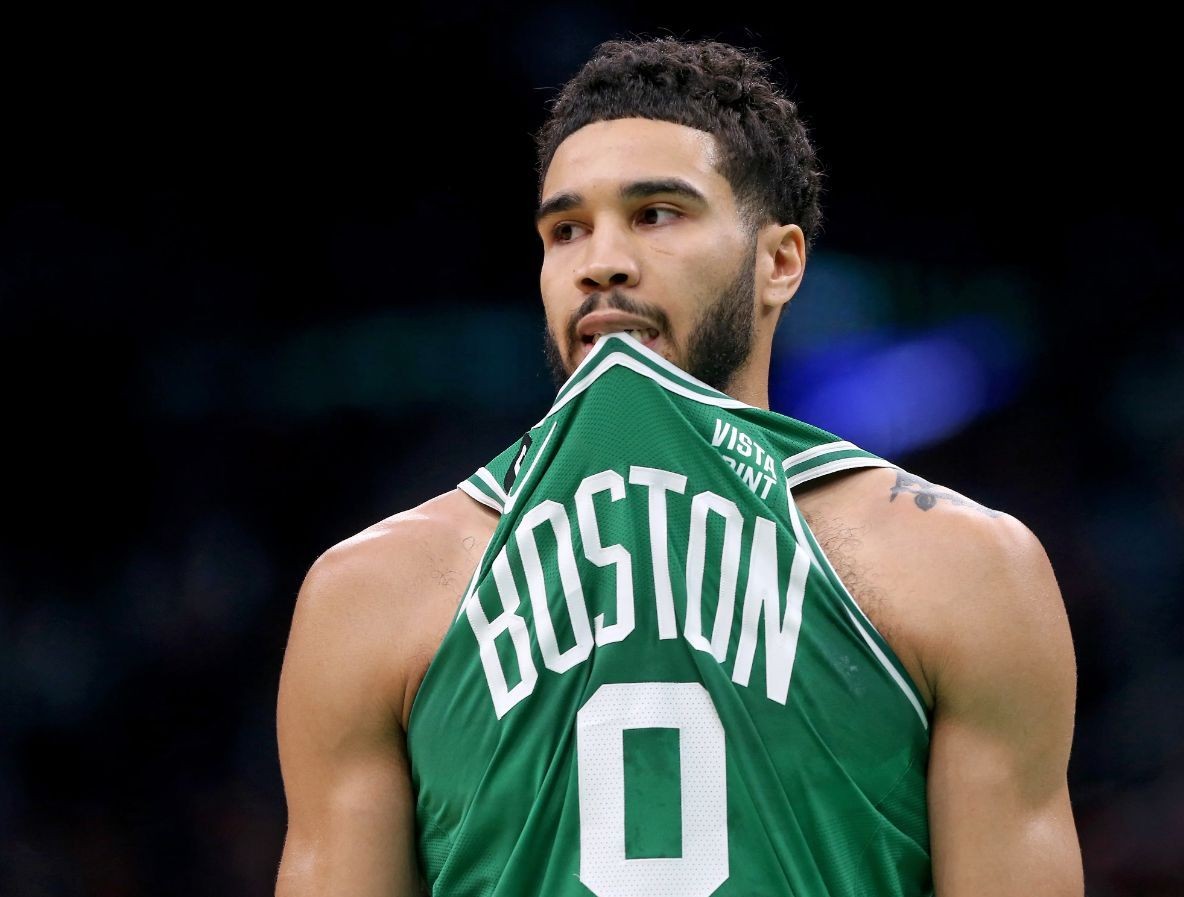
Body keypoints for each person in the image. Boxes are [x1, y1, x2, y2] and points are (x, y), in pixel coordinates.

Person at [275, 36, 1083, 897]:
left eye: (656, 214)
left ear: (779, 262)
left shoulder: (964, 571)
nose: (600, 262)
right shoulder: (371, 592)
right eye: (566, 229)